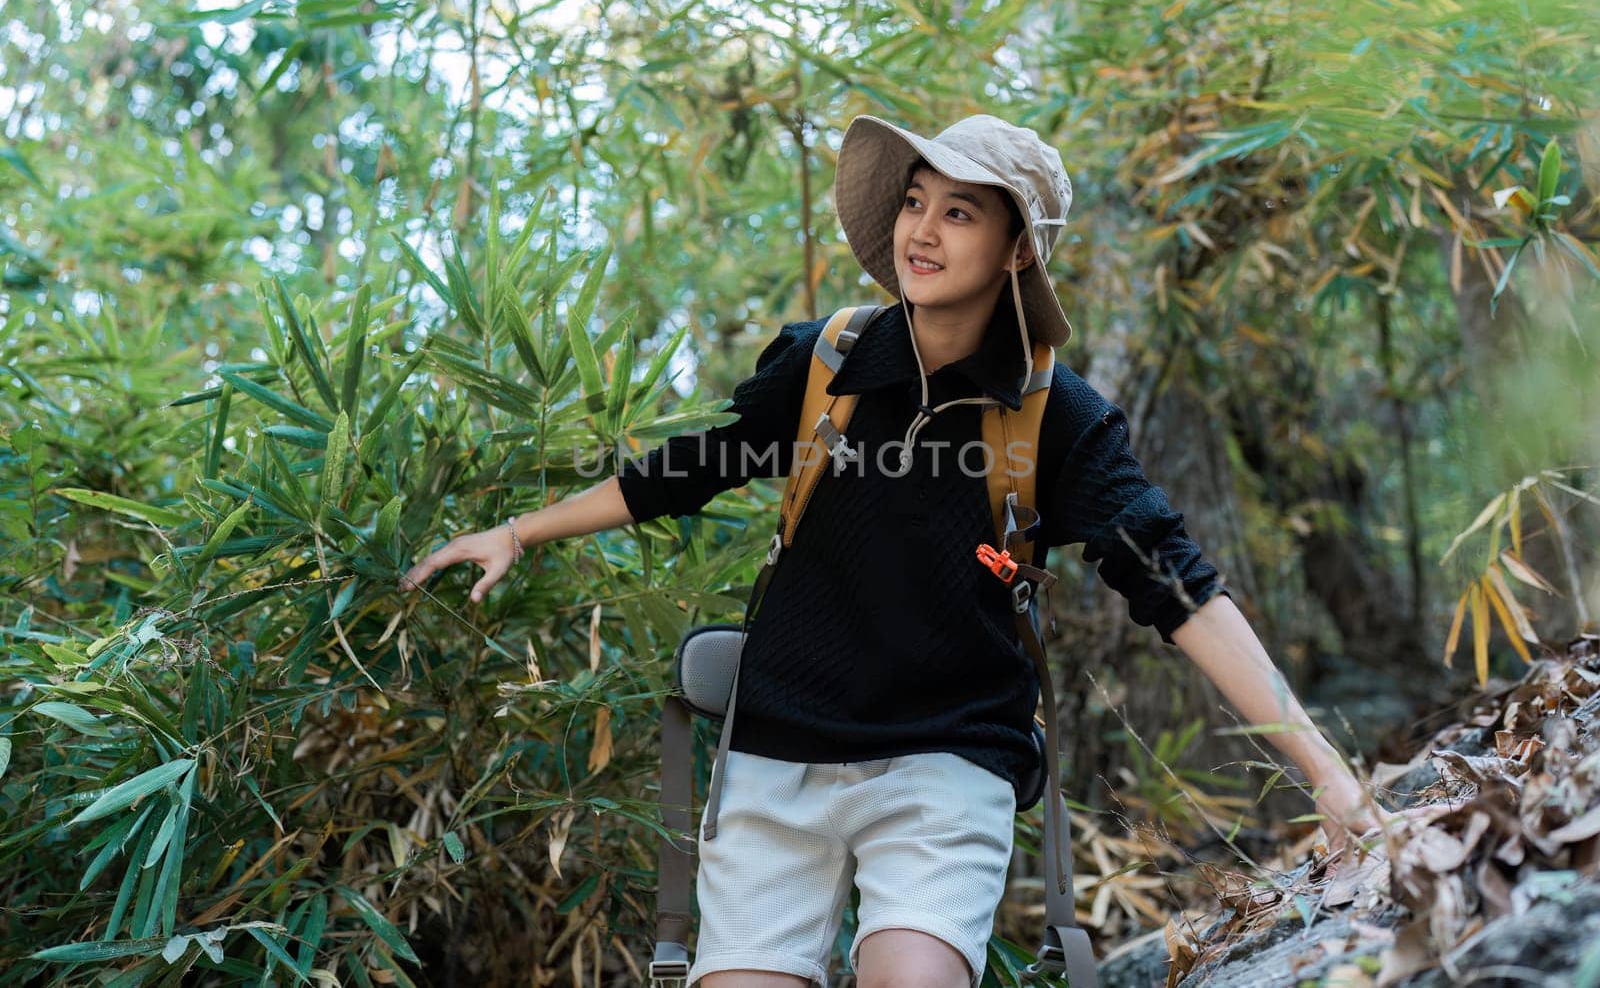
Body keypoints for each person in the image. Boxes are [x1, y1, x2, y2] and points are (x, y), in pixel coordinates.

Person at [399, 114, 1390, 988]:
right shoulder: (825, 361)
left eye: (960, 212)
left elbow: (1176, 585)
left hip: (946, 755)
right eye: (917, 201)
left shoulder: (1058, 417)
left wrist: (1325, 772)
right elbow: (685, 468)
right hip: (779, 750)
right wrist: (519, 531)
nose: (921, 229)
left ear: (1015, 249)